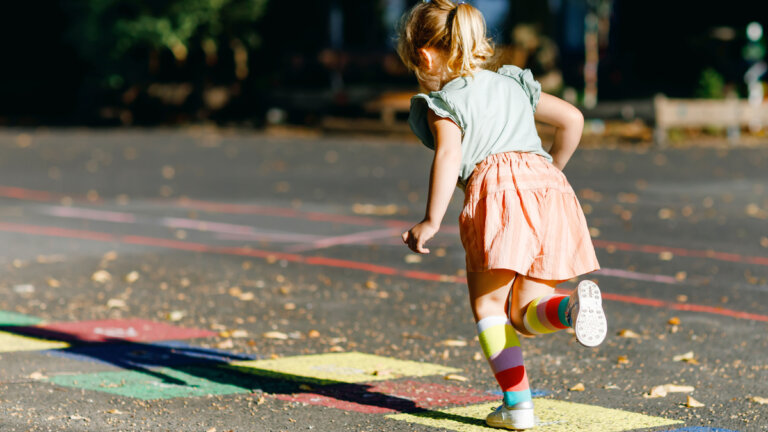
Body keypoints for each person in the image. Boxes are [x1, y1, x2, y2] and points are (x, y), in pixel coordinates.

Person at [396, 1, 607, 429]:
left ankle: (518, 406)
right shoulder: (512, 83)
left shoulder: (445, 101)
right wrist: (550, 169)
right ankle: (568, 310)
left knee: (489, 307)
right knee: (524, 314)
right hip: (549, 189)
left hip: (499, 194)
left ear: (425, 55)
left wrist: (431, 219)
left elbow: (449, 154)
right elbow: (572, 119)